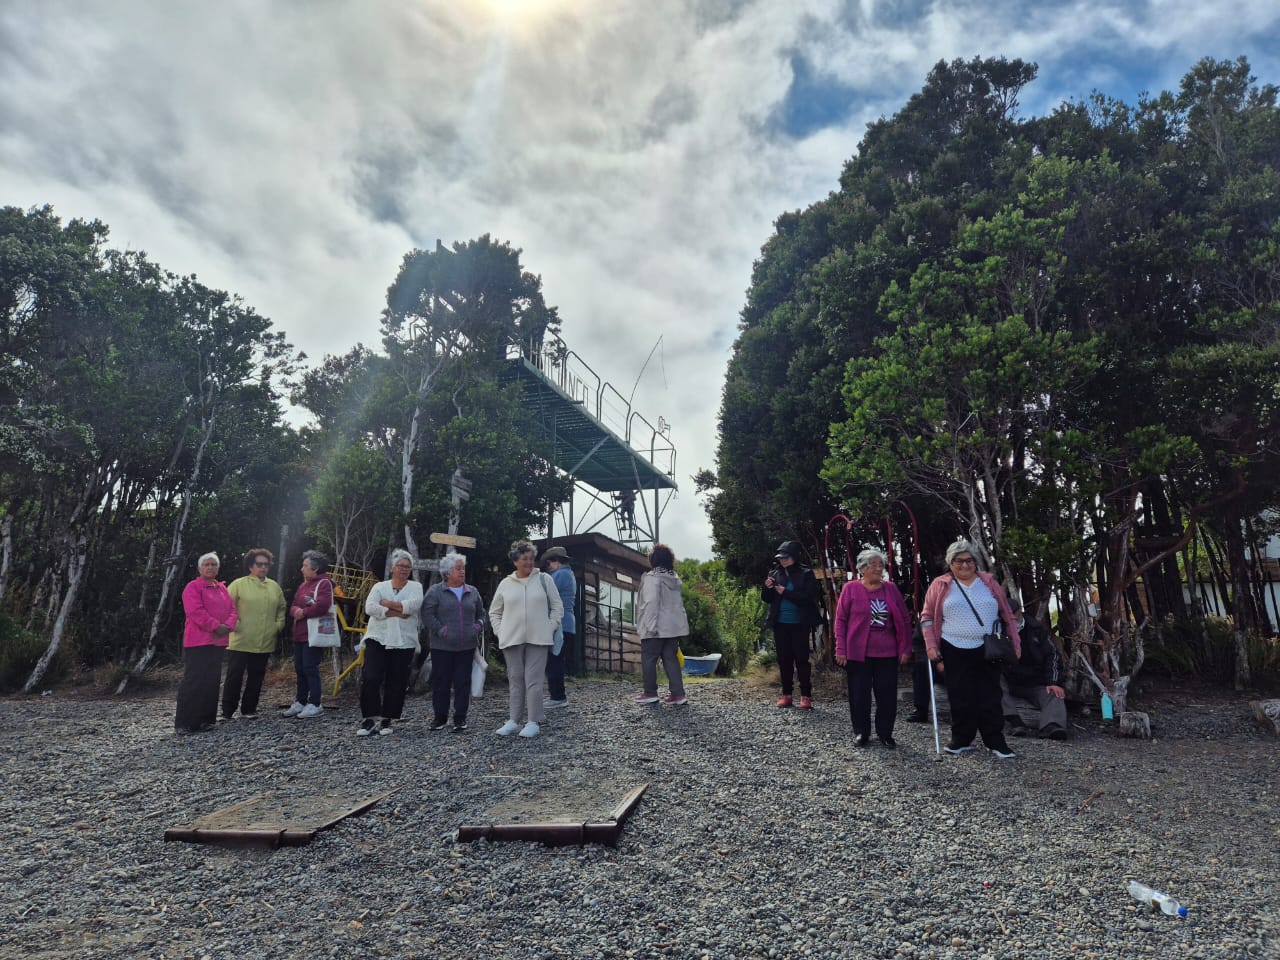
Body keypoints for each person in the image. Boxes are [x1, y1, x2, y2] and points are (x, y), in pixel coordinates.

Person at [920, 539, 1022, 759]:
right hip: (953, 647)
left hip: (987, 647)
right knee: (959, 696)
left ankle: (995, 740)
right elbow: (927, 618)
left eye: (969, 560)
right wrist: (931, 646)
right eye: (958, 561)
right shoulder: (940, 584)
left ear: (976, 562)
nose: (964, 565)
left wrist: (1015, 642)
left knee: (991, 695)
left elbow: (1007, 614)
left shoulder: (989, 583)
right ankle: (961, 739)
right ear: (950, 563)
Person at [834, 547, 912, 747]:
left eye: (881, 565)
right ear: (862, 569)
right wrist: (840, 648)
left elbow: (904, 619)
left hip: (887, 652)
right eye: (873, 565)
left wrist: (905, 648)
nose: (879, 569)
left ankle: (885, 733)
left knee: (886, 695)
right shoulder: (850, 588)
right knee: (859, 695)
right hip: (858, 653)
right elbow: (841, 620)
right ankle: (861, 732)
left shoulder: (891, 588)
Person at [489, 540, 562, 738]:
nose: (529, 562)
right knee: (515, 679)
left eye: (531, 558)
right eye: (524, 559)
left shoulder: (544, 579)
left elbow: (557, 607)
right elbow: (494, 612)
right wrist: (500, 631)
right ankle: (513, 720)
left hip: (539, 638)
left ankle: (533, 721)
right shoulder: (505, 584)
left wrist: (550, 627)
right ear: (515, 561)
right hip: (511, 638)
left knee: (533, 680)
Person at [357, 549, 424, 737]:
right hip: (378, 637)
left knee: (396, 680)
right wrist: (395, 611)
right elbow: (370, 607)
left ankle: (387, 718)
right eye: (400, 566)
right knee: (371, 676)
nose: (403, 569)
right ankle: (369, 718)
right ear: (392, 568)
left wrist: (386, 604)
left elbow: (412, 607)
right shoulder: (379, 587)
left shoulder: (415, 587)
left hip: (404, 641)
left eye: (407, 566)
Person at [422, 552, 486, 733]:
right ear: (447, 572)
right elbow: (427, 614)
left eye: (463, 568)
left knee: (462, 683)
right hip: (442, 647)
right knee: (441, 683)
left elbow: (482, 613)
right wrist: (441, 630)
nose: (462, 571)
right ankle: (440, 718)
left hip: (466, 647)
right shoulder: (436, 591)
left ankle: (460, 719)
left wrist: (478, 626)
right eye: (458, 568)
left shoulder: (472, 591)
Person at [175, 552, 237, 734]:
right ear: (200, 568)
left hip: (218, 642)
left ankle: (206, 720)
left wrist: (228, 626)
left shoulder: (222, 588)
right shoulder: (193, 587)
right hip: (198, 642)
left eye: (213, 564)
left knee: (212, 681)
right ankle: (184, 723)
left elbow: (233, 610)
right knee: (194, 681)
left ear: (218, 568)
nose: (210, 567)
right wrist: (216, 626)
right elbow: (196, 612)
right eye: (206, 564)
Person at [221, 548, 286, 721]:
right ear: (251, 566)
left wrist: (277, 626)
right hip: (241, 638)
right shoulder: (238, 584)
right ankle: (227, 711)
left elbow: (281, 608)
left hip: (265, 639)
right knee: (234, 675)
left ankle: (249, 709)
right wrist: (233, 624)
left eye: (266, 564)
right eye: (259, 564)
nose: (263, 567)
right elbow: (226, 606)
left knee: (257, 675)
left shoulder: (274, 587)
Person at [761, 540, 820, 709]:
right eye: (780, 557)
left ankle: (805, 695)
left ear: (794, 556)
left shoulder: (806, 573)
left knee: (802, 659)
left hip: (800, 623)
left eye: (786, 557)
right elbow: (767, 599)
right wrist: (766, 588)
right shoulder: (775, 573)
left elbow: (808, 597)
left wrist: (786, 592)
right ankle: (786, 694)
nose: (783, 560)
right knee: (784, 659)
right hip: (780, 623)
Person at [1002, 596, 1068, 740]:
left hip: (1034, 680)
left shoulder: (1036, 628)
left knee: (1055, 693)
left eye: (1014, 614)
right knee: (993, 680)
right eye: (1007, 615)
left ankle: (1052, 726)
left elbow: (1052, 655)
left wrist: (1053, 682)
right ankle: (1014, 721)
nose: (1012, 619)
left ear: (1020, 612)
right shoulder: (996, 629)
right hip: (1008, 680)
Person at [635, 543, 690, 705]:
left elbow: (651, 603)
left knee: (649, 658)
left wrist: (649, 627)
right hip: (673, 628)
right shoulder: (674, 578)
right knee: (670, 658)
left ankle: (650, 693)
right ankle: (678, 695)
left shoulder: (652, 578)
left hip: (656, 626)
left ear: (653, 560)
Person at [284, 550, 333, 719]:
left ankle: (315, 703)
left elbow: (323, 606)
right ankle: (301, 701)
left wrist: (303, 612)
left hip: (314, 633)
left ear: (315, 568)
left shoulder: (324, 583)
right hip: (300, 633)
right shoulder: (303, 585)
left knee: (310, 667)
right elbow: (293, 605)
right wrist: (296, 611)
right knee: (300, 668)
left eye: (305, 566)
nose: (301, 569)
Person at [540, 545, 577, 709]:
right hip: (566, 622)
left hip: (560, 623)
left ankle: (558, 696)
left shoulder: (560, 575)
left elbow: (543, 592)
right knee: (556, 660)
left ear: (554, 562)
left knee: (555, 660)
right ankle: (556, 695)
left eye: (549, 564)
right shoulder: (568, 574)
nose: (549, 568)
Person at [906, 622, 943, 723]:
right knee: (921, 667)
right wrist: (937, 660)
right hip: (934, 658)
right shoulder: (928, 617)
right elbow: (918, 643)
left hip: (957, 656)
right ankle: (921, 710)